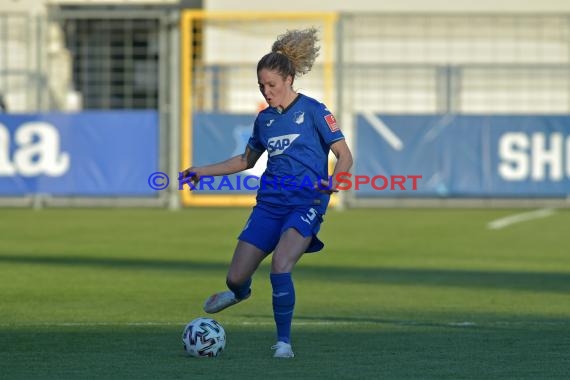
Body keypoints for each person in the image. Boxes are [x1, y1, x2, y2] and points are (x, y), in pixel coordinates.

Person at [181, 28, 353, 358]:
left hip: (306, 203)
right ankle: (239, 294)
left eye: (271, 85)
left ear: (289, 79)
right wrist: (201, 170)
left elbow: (345, 156)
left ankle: (283, 343)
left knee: (281, 265)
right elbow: (246, 160)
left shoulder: (315, 111)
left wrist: (334, 182)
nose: (266, 91)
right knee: (234, 279)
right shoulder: (265, 121)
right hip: (269, 206)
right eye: (261, 85)